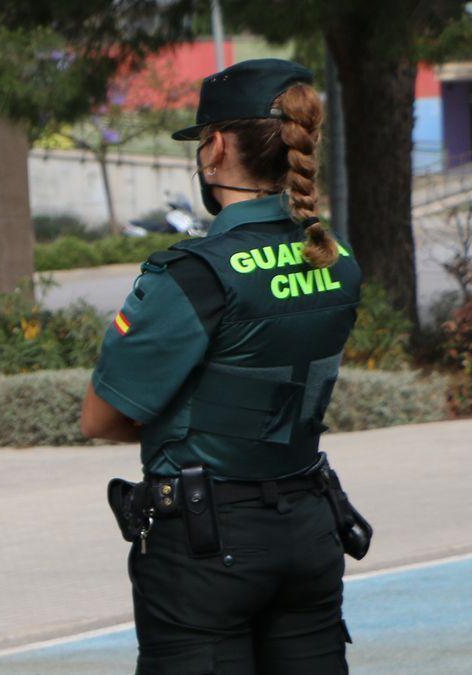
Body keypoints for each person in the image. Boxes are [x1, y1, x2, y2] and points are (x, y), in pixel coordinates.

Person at [81, 59, 371, 674]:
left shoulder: (194, 274)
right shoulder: (335, 258)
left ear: (213, 148)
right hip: (308, 527)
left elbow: (102, 418)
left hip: (207, 547)